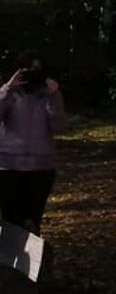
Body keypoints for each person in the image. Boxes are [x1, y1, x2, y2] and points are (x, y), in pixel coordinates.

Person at [0, 51, 66, 234]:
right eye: (27, 70)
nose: (32, 74)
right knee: (10, 221)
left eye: (37, 70)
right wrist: (7, 88)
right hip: (8, 167)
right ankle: (9, 261)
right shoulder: (10, 94)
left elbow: (59, 126)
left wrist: (54, 96)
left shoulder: (48, 96)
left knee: (32, 222)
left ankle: (33, 261)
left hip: (41, 168)